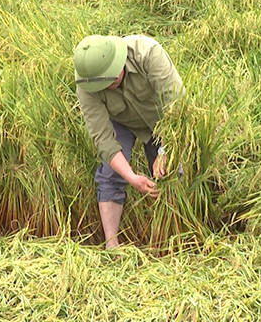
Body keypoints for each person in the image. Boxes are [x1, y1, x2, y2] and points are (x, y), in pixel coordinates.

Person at [73, 34, 183, 249]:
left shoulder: (148, 53)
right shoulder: (87, 82)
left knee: (170, 174)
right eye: (101, 87)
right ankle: (111, 246)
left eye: (111, 81)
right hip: (121, 121)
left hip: (162, 120)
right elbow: (104, 140)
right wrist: (131, 177)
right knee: (110, 174)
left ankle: (172, 239)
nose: (107, 88)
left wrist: (164, 152)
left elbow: (177, 106)